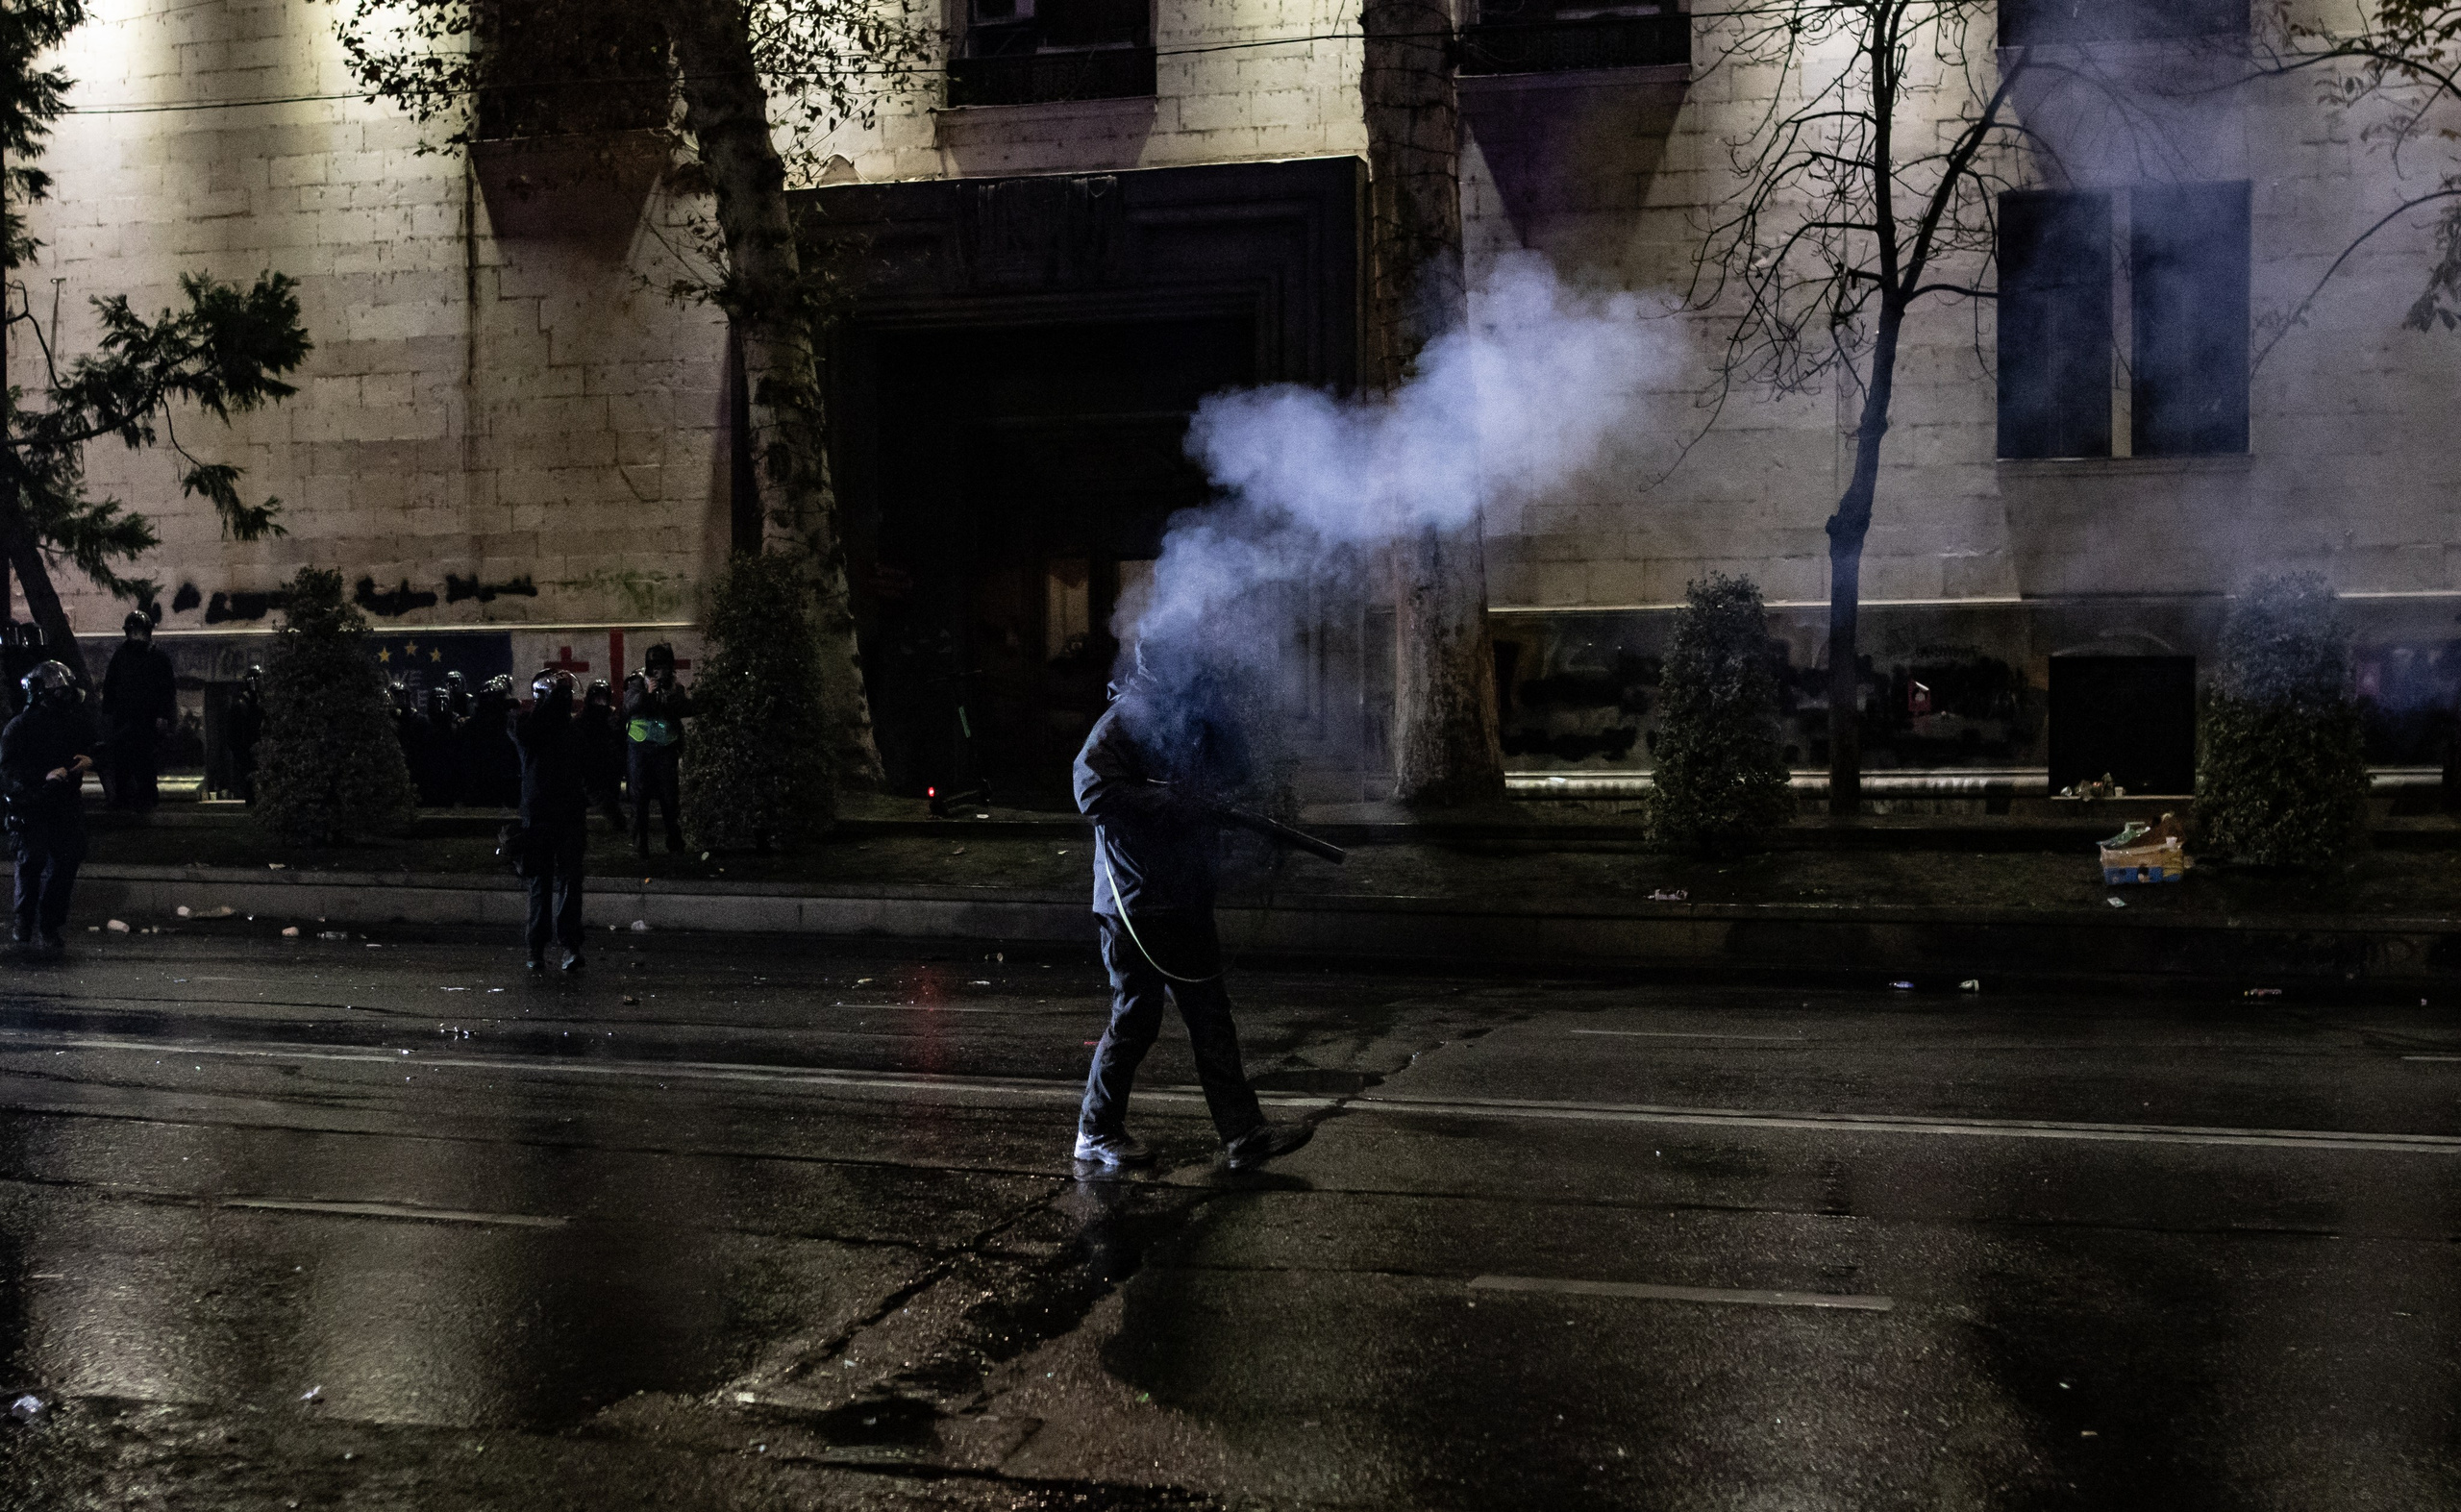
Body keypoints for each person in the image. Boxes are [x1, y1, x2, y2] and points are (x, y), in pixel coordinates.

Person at [1071, 643, 1311, 1172]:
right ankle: (1096, 1130)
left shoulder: (1187, 721)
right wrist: (1169, 803)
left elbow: (1232, 778)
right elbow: (1091, 791)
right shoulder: (1121, 723)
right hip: (1136, 904)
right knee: (1136, 1018)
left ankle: (1244, 1135)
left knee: (1211, 1020)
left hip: (1182, 897)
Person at [2, 661, 95, 955]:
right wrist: (41, 779)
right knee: (31, 862)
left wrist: (88, 760)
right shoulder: (20, 727)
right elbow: (8, 771)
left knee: (66, 862)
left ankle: (50, 924)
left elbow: (93, 745)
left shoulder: (70, 721)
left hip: (65, 803)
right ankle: (24, 921)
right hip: (33, 804)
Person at [510, 668, 589, 972]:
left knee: (570, 880)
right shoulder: (528, 727)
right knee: (540, 882)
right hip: (540, 814)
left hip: (568, 813)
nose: (565, 701)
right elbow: (526, 734)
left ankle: (569, 944)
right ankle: (536, 947)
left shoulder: (571, 731)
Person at [100, 611, 176, 813]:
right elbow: (110, 686)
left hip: (147, 720)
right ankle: (123, 799)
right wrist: (108, 714)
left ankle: (147, 798)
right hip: (124, 718)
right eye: (133, 633)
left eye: (139, 633)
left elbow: (167, 690)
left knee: (146, 761)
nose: (136, 637)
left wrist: (163, 715)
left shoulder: (157, 657)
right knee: (122, 761)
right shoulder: (121, 655)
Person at [623, 643, 692, 855]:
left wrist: (671, 696)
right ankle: (640, 844)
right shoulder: (637, 683)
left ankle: (675, 842)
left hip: (665, 748)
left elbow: (683, 708)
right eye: (657, 667)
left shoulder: (675, 686)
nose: (660, 672)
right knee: (639, 798)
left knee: (670, 798)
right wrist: (648, 694)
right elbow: (630, 705)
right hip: (640, 748)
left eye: (664, 667)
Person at [581, 678, 627, 832]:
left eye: (603, 698)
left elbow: (620, 739)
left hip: (610, 767)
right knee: (602, 799)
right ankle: (619, 825)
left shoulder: (612, 717)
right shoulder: (583, 719)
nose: (600, 702)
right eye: (597, 698)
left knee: (611, 796)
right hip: (590, 768)